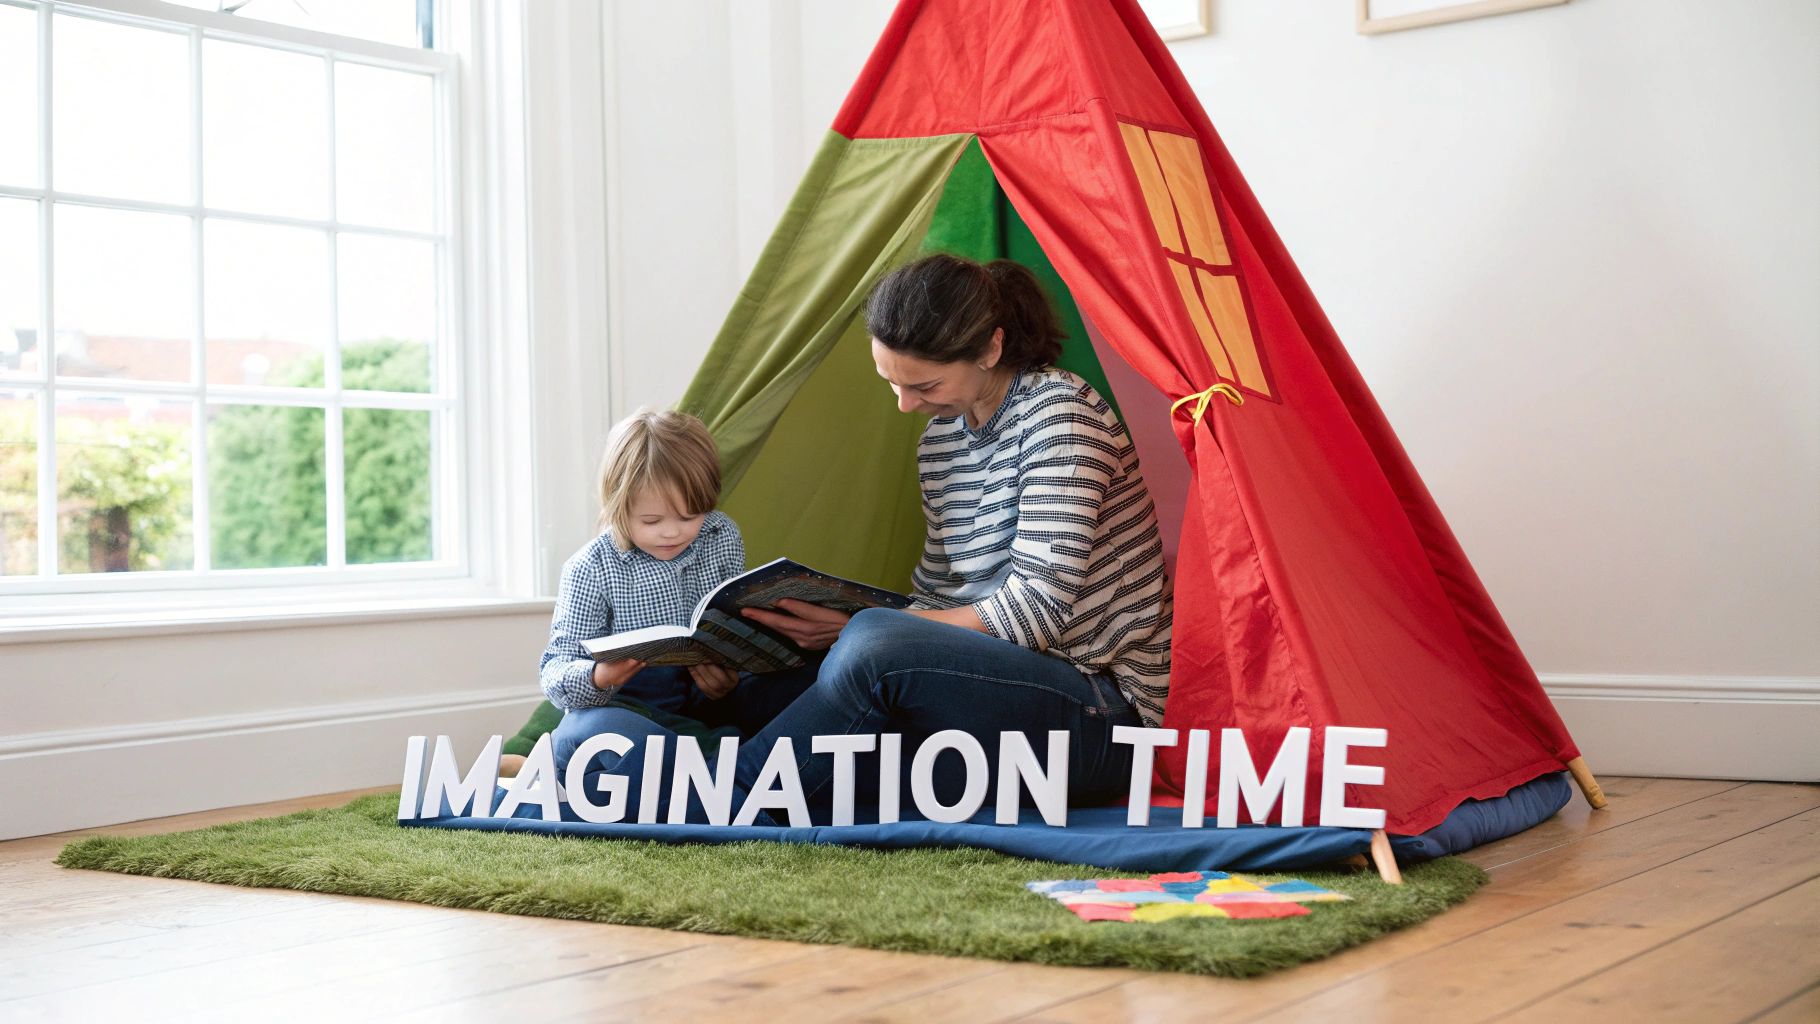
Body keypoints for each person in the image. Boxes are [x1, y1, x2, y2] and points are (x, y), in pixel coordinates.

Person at [729, 252, 1173, 811]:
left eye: (924, 385)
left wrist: (867, 632)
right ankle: (755, 776)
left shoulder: (1062, 416)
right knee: (768, 687)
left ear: (990, 348)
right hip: (990, 694)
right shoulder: (942, 441)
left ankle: (731, 793)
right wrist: (839, 628)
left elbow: (1032, 615)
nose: (905, 404)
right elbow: (940, 596)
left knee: (870, 647)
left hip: (1101, 717)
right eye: (891, 382)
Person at [535, 409, 814, 783]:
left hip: (704, 706)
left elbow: (734, 622)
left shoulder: (720, 536)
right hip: (624, 708)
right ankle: (722, 769)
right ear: (618, 507)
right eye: (652, 521)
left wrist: (732, 672)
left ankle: (709, 766)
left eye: (689, 516)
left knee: (812, 679)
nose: (672, 533)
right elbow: (554, 672)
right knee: (590, 737)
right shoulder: (590, 567)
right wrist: (600, 675)